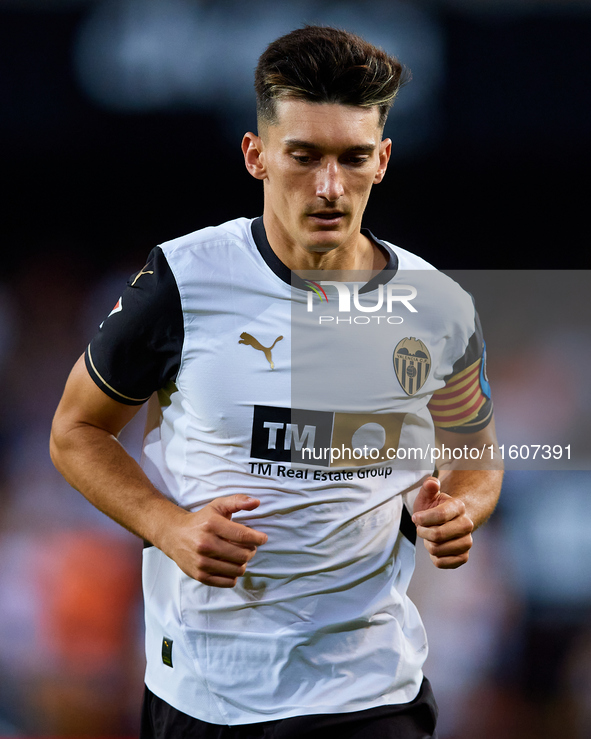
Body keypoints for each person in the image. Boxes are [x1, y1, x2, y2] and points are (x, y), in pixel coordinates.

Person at [50, 25, 503, 739]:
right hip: (205, 690)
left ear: (382, 160)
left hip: (369, 692)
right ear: (255, 155)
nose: (329, 185)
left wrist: (463, 509)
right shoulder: (182, 281)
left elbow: (474, 453)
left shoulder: (439, 306)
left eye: (353, 158)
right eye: (303, 155)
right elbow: (75, 430)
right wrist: (168, 526)